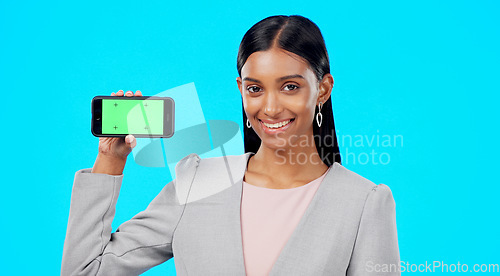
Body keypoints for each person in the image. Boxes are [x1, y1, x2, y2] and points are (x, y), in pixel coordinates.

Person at [62, 15, 400, 275]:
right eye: (255, 89)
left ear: (323, 89)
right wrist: (109, 159)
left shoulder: (363, 202)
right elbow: (87, 269)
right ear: (241, 89)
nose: (269, 108)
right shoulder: (199, 182)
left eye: (290, 87)